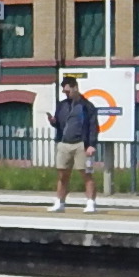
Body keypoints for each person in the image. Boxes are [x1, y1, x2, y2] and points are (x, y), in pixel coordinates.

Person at [48, 74, 101, 212]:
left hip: (81, 144)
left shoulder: (87, 106)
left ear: (75, 88)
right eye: (64, 92)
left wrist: (91, 144)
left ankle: (90, 203)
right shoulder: (62, 105)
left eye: (68, 91)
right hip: (64, 143)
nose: (66, 94)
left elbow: (93, 126)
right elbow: (59, 125)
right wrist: (53, 122)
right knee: (62, 174)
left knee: (86, 174)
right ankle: (60, 202)